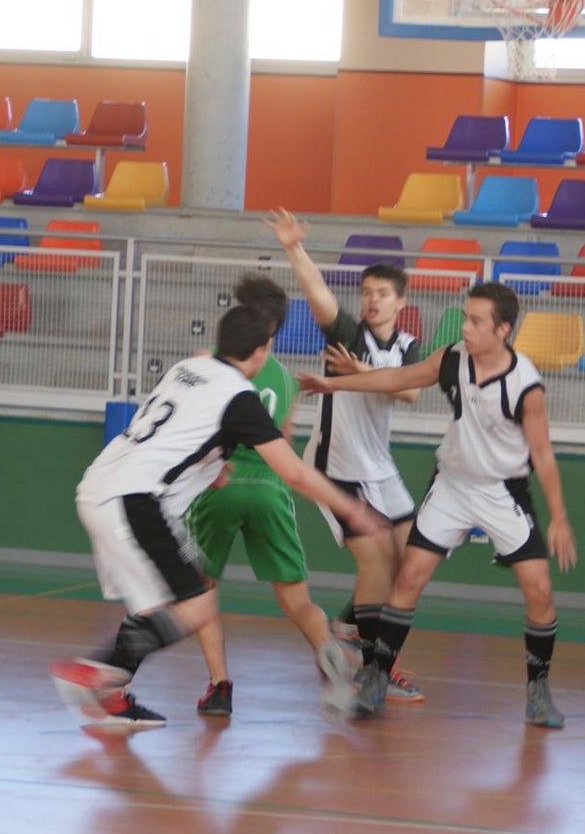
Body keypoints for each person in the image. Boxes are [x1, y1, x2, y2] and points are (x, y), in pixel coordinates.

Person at [50, 304, 387, 728]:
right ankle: (95, 674)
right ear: (263, 350)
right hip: (135, 501)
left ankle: (111, 698)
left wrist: (212, 467)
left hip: (101, 484)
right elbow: (296, 473)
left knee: (161, 601)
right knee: (196, 607)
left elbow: (175, 432)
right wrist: (351, 507)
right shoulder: (239, 399)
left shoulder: (188, 368)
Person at [299, 282, 577, 727]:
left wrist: (559, 516)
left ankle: (538, 690)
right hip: (451, 486)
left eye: (476, 322)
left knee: (539, 589)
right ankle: (376, 676)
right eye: (465, 318)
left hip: (503, 490)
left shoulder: (525, 383)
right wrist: (335, 381)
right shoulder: (452, 358)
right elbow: (399, 378)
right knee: (408, 576)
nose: (465, 327)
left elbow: (541, 453)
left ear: (503, 329)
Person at [265, 208, 425, 703]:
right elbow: (319, 297)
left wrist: (359, 374)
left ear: (401, 301)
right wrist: (295, 248)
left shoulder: (407, 346)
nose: (372, 301)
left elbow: (411, 393)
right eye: (367, 293)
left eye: (382, 294)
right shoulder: (348, 337)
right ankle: (377, 669)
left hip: (380, 468)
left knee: (409, 563)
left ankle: (350, 622)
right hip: (337, 469)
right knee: (376, 564)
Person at [187, 275, 352, 717]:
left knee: (201, 590)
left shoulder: (208, 363)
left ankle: (220, 686)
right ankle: (328, 655)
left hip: (218, 483)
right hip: (270, 488)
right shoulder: (287, 379)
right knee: (296, 598)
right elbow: (281, 439)